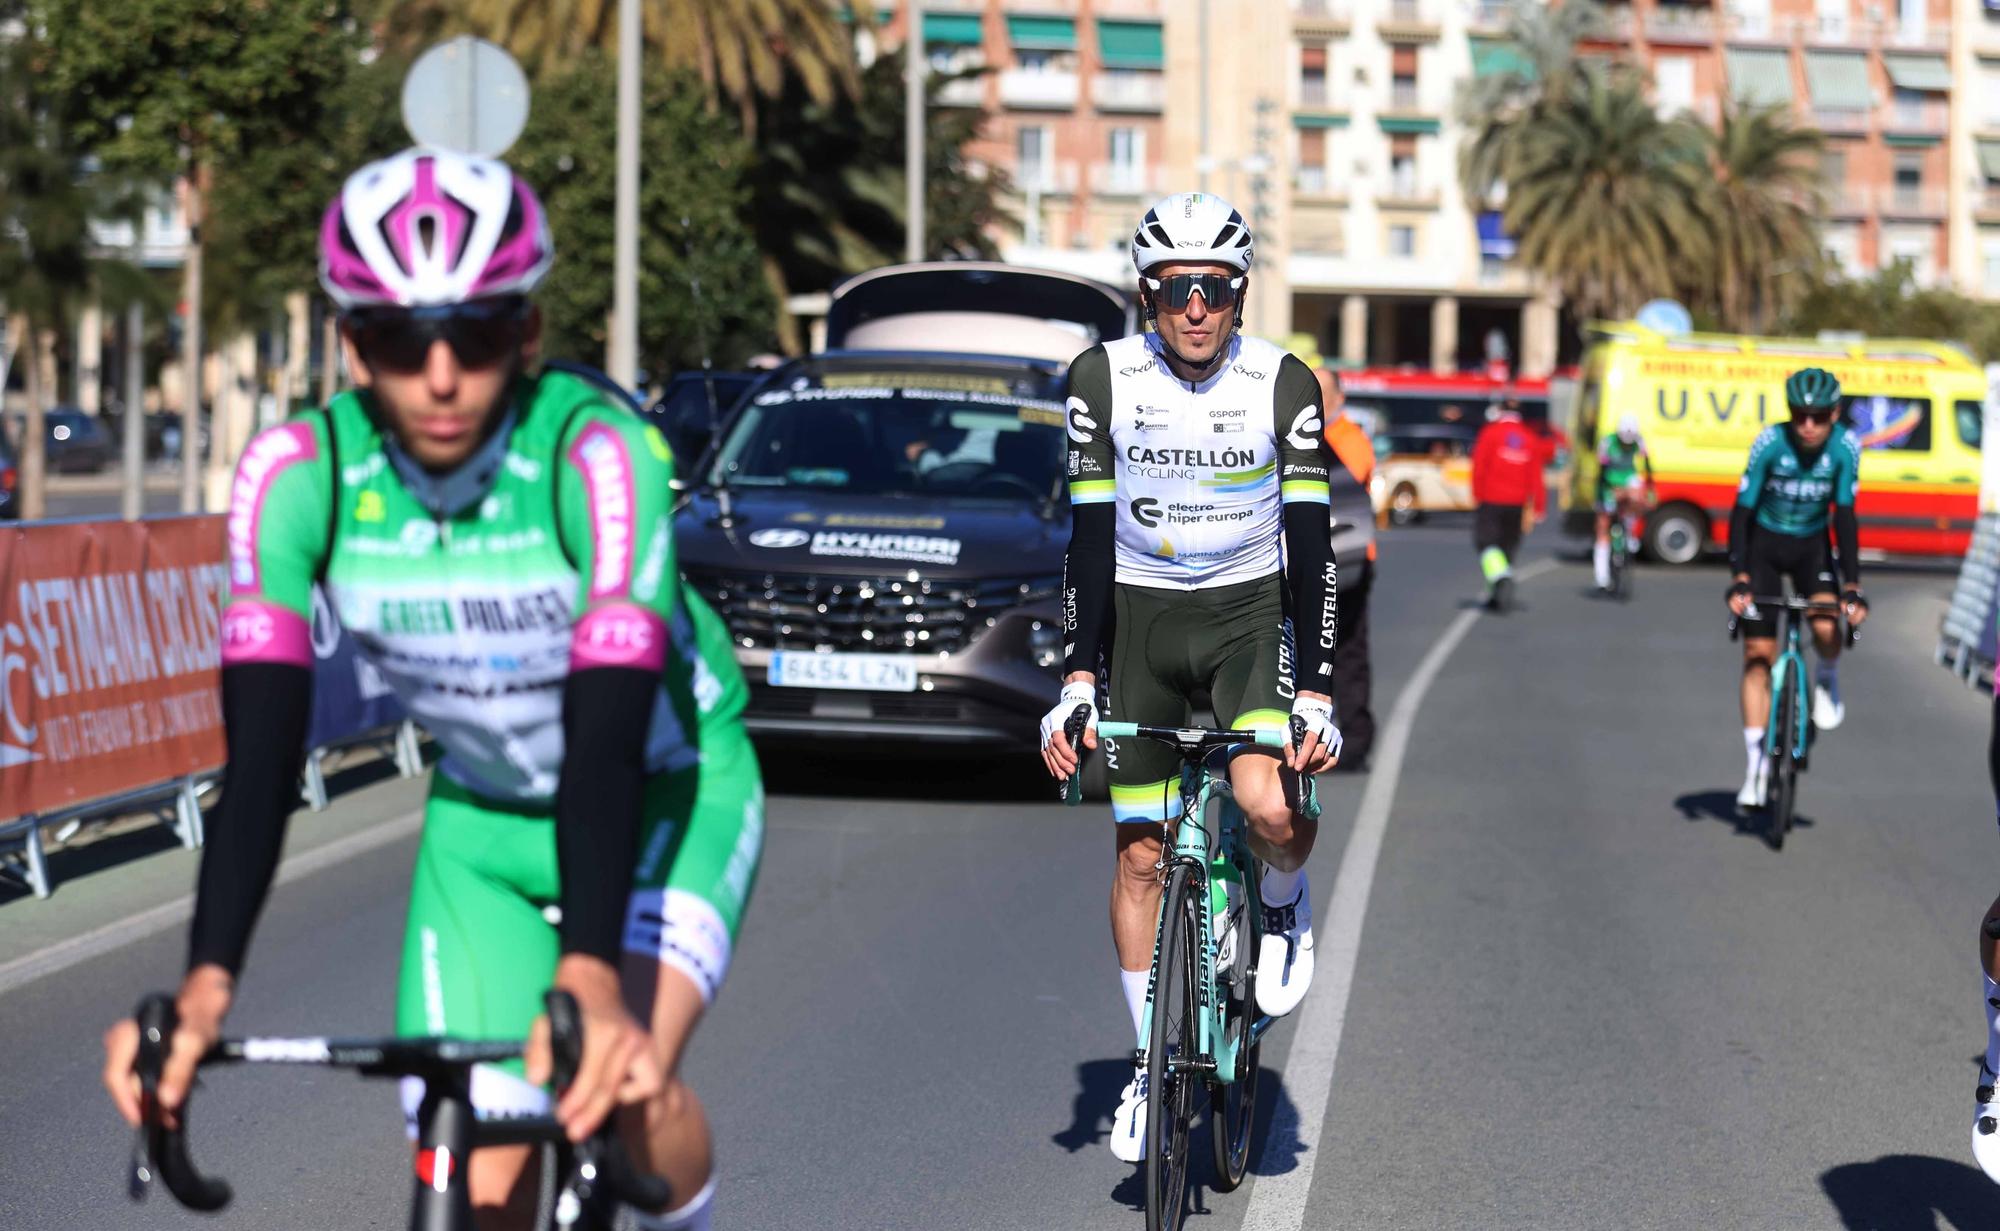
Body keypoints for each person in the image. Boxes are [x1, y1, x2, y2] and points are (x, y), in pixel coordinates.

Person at [100, 148, 758, 1231]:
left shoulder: (593, 458)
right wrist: (205, 986)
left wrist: (592, 971)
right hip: (484, 823)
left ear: (530, 336)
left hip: (665, 793)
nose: (442, 375)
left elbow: (604, 735)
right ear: (354, 343)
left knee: (623, 1091)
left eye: (480, 334)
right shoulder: (295, 473)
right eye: (404, 341)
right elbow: (260, 757)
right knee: (482, 1181)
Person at [1037, 192, 1341, 1164]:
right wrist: (1076, 677)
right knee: (1138, 850)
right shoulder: (1102, 379)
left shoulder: (1280, 383)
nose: (1196, 308)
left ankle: (1284, 906)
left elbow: (1310, 544)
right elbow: (1085, 538)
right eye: (1176, 290)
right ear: (1146, 294)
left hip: (1246, 615)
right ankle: (1143, 1064)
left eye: (1213, 288)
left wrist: (1318, 691)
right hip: (1139, 616)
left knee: (1260, 798)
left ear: (1239, 293)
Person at [1723, 367, 1869, 810]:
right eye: (1799, 415)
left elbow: (1844, 516)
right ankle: (1755, 767)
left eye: (1819, 416)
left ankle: (1826, 676)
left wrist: (1852, 586)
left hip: (1812, 548)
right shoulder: (1770, 443)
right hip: (1765, 546)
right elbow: (1742, 511)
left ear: (1835, 414)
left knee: (1826, 626)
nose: (1808, 425)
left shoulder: (1845, 447)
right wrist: (1740, 576)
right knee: (1757, 657)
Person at [1319, 366, 1377, 770]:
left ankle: (1355, 739)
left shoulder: (1348, 440)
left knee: (1347, 650)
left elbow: (1344, 489)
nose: (1315, 400)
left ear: (1339, 398)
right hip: (1314, 560)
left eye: (1322, 393)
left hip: (1350, 561)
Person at [1469, 393, 1547, 609]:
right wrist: (1538, 506)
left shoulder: (1490, 433)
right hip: (1517, 503)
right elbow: (1536, 476)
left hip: (1492, 499)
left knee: (1485, 543)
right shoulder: (1529, 438)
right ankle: (1496, 593)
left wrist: (1477, 495)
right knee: (1507, 548)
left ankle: (1501, 579)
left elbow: (1479, 467)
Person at [1594, 411, 1655, 592]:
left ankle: (1629, 530)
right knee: (1603, 525)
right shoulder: (1607, 443)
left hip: (1628, 478)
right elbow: (1602, 472)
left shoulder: (1639, 441)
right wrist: (1611, 492)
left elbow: (1647, 464)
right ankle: (1601, 576)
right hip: (1609, 481)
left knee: (1637, 494)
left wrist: (1649, 488)